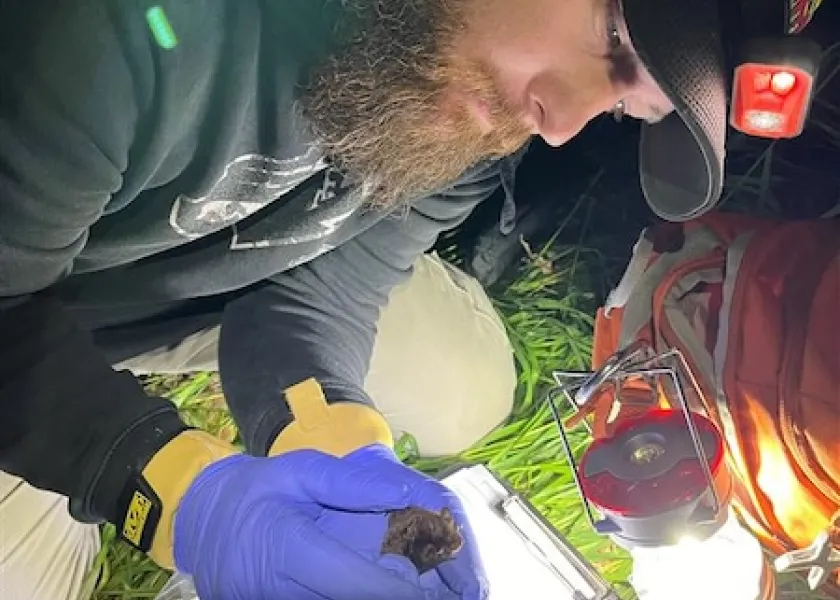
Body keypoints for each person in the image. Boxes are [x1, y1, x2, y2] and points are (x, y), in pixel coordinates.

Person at [0, 0, 826, 599]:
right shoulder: (115, 33)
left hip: (204, 284)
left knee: (465, 390)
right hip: (36, 306)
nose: (561, 123)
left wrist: (329, 434)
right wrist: (166, 482)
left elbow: (331, 281)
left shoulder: (471, 92)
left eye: (619, 104)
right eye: (612, 37)